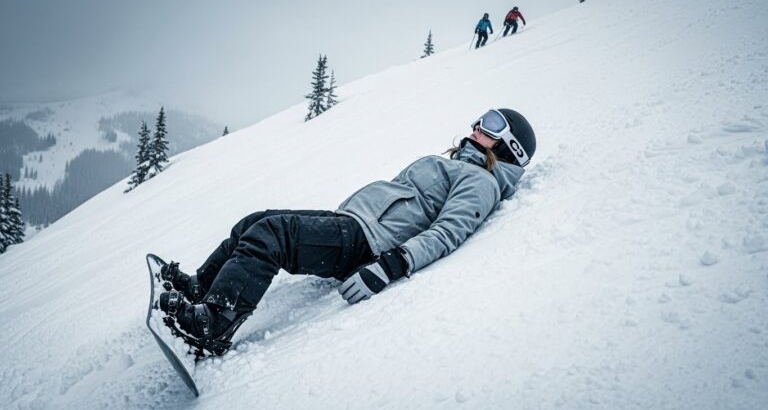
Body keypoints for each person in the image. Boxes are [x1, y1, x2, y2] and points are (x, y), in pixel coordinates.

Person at [156, 108, 537, 355]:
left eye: (491, 125)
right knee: (256, 220)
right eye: (480, 119)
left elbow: (447, 232)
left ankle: (214, 324)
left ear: (509, 146)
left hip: (367, 242)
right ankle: (200, 288)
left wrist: (391, 265)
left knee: (272, 234)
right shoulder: (461, 165)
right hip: (355, 224)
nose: (476, 126)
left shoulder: (481, 181)